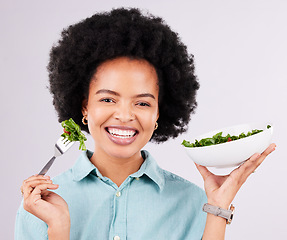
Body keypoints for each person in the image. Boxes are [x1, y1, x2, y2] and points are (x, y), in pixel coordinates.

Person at [15, 8, 276, 240]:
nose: (125, 115)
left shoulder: (195, 203)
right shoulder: (39, 206)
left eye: (142, 103)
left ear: (159, 113)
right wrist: (59, 229)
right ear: (84, 107)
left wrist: (219, 208)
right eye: (108, 99)